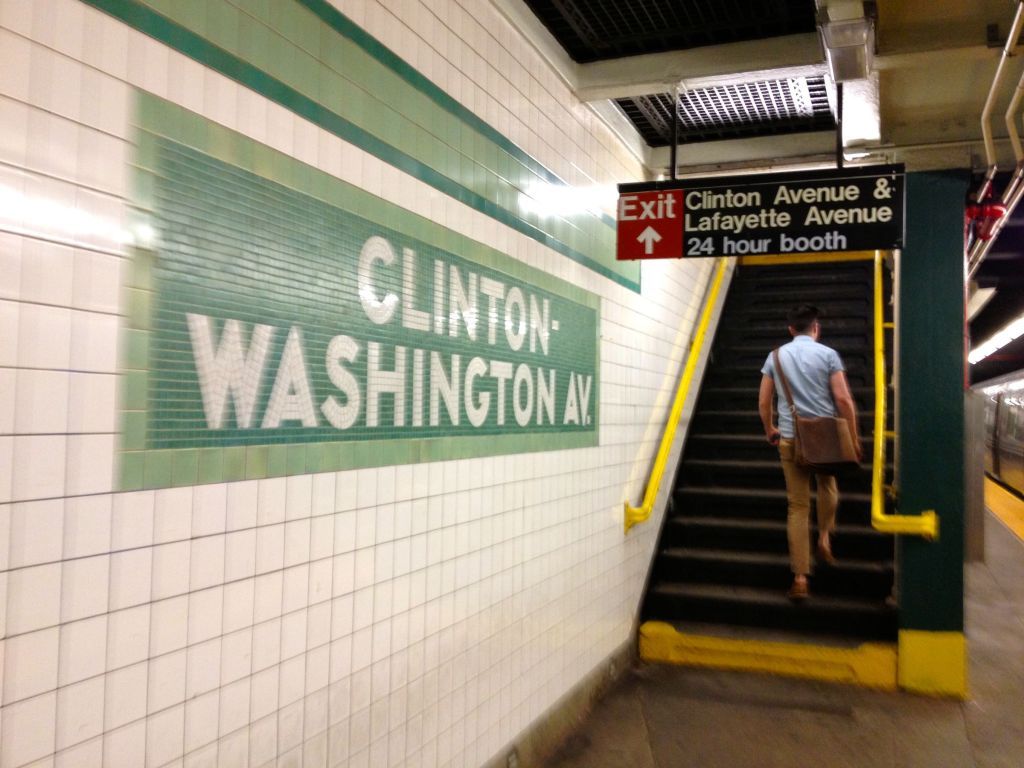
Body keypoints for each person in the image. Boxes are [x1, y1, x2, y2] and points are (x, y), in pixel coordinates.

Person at [757, 305, 862, 600]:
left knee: (798, 506)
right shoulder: (828, 355)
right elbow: (843, 399)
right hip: (826, 436)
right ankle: (825, 535)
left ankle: (801, 577)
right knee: (828, 485)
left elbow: (764, 401)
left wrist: (770, 428)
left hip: (791, 438)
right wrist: (853, 437)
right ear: (816, 328)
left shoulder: (774, 357)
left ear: (791, 329)